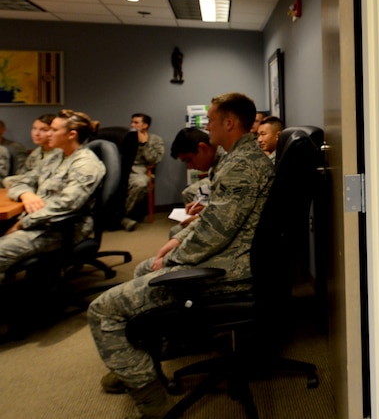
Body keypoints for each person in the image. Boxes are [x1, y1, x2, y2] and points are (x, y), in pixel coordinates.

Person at [88, 93, 274, 418]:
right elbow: (211, 219)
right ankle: (139, 358)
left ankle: (151, 402)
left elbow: (215, 233)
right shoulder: (237, 159)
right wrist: (173, 247)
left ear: (229, 123)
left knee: (102, 310)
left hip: (227, 272)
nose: (207, 127)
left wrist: (172, 260)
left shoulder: (241, 165)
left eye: (211, 121)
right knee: (145, 267)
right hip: (230, 259)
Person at [0, 110, 105, 274]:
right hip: (38, 220)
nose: (48, 133)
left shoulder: (85, 163)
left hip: (60, 228)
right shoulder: (56, 156)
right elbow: (18, 181)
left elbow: (68, 204)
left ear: (71, 134)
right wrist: (25, 194)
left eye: (54, 130)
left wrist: (22, 223)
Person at [168, 127, 225, 236]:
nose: (190, 167)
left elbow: (230, 213)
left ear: (203, 148)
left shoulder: (227, 167)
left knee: (176, 232)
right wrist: (205, 209)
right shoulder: (216, 165)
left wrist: (200, 217)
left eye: (189, 160)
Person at [121, 113, 164, 231]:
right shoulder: (126, 136)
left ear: (145, 125)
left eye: (136, 123)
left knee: (141, 183)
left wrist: (144, 144)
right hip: (122, 169)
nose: (132, 125)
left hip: (139, 171)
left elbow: (154, 160)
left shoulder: (155, 140)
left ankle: (120, 216)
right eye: (132, 122)